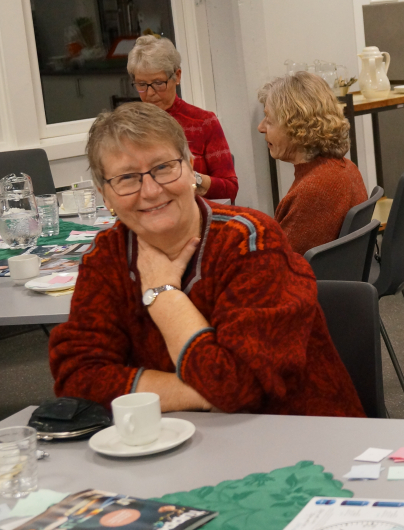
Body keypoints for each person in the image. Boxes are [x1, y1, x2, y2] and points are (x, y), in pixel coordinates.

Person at [49, 103, 365, 418]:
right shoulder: (107, 256)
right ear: (105, 195)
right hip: (167, 438)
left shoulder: (251, 241)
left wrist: (162, 293)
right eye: (127, 178)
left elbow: (237, 387)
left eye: (164, 167)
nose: (151, 190)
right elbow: (77, 378)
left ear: (191, 169)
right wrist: (201, 393)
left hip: (297, 432)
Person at [257, 72, 368, 256]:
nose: (261, 127)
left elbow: (279, 265)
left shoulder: (314, 189)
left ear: (296, 126)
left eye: (269, 119)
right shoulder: (345, 168)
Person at [128, 35, 239, 202]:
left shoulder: (203, 122)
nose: (150, 93)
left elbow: (230, 189)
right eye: (142, 85)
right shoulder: (130, 128)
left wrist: (193, 178)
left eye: (158, 83)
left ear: (177, 76)